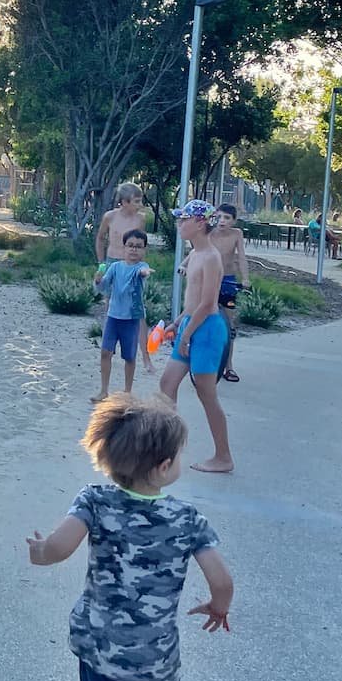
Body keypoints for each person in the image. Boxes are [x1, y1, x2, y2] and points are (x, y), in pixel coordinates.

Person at [26, 392, 234, 681]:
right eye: (179, 455)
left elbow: (58, 548)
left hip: (100, 652)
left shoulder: (95, 501)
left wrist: (39, 553)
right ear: (163, 468)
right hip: (154, 658)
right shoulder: (188, 519)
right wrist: (219, 608)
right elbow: (221, 579)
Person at [159, 200, 235, 474]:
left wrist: (186, 335)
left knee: (206, 393)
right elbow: (192, 303)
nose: (180, 224)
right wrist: (177, 323)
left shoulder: (212, 257)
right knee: (167, 383)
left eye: (184, 220)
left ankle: (223, 456)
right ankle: (167, 448)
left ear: (200, 223)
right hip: (192, 325)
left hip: (207, 330)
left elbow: (207, 304)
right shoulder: (196, 255)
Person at [96, 182, 152, 372]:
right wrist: (102, 264)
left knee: (138, 309)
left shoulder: (140, 219)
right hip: (113, 262)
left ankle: (145, 355)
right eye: (136, 201)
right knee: (109, 305)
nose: (139, 204)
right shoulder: (110, 217)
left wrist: (142, 267)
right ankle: (108, 348)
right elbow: (100, 238)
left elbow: (141, 243)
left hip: (132, 265)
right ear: (124, 202)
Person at [92, 229, 152, 401]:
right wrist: (97, 281)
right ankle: (104, 390)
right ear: (124, 248)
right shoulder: (115, 267)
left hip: (132, 319)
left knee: (129, 356)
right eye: (130, 246)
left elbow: (144, 272)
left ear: (144, 250)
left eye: (138, 247)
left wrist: (145, 273)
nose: (134, 250)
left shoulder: (142, 267)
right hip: (113, 317)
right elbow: (103, 287)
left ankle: (127, 392)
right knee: (105, 352)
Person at [214, 203, 251, 383]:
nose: (222, 221)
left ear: (234, 221)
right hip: (210, 279)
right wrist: (185, 265)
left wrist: (245, 279)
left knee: (229, 326)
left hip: (228, 279)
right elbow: (198, 251)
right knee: (202, 318)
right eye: (219, 217)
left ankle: (229, 367)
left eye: (227, 218)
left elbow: (241, 257)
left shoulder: (236, 234)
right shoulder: (209, 233)